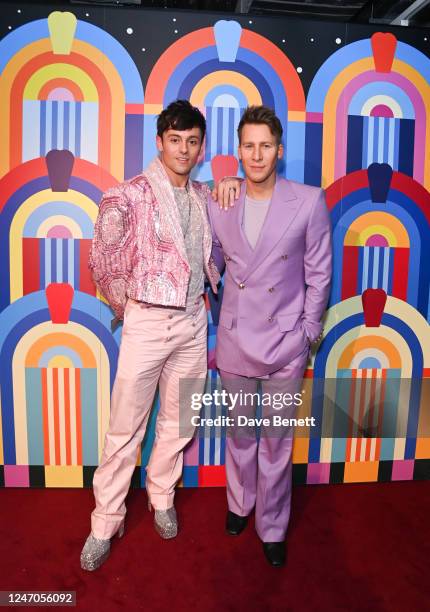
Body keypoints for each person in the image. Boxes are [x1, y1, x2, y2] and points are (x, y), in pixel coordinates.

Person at [81, 100, 229, 571]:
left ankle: (161, 496)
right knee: (126, 427)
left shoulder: (208, 196)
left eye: (192, 141)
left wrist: (234, 185)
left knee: (180, 421)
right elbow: (103, 263)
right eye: (174, 139)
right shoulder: (127, 194)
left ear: (201, 147)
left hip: (192, 323)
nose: (183, 149)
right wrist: (135, 310)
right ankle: (105, 521)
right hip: (146, 322)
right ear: (159, 141)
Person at [207, 105, 332, 567]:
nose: (256, 155)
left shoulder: (308, 200)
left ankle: (273, 525)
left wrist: (308, 332)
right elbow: (215, 261)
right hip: (237, 339)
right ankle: (240, 505)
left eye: (265, 146)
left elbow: (319, 273)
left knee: (278, 439)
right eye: (248, 146)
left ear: (279, 151)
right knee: (240, 433)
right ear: (238, 151)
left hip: (285, 344)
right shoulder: (221, 200)